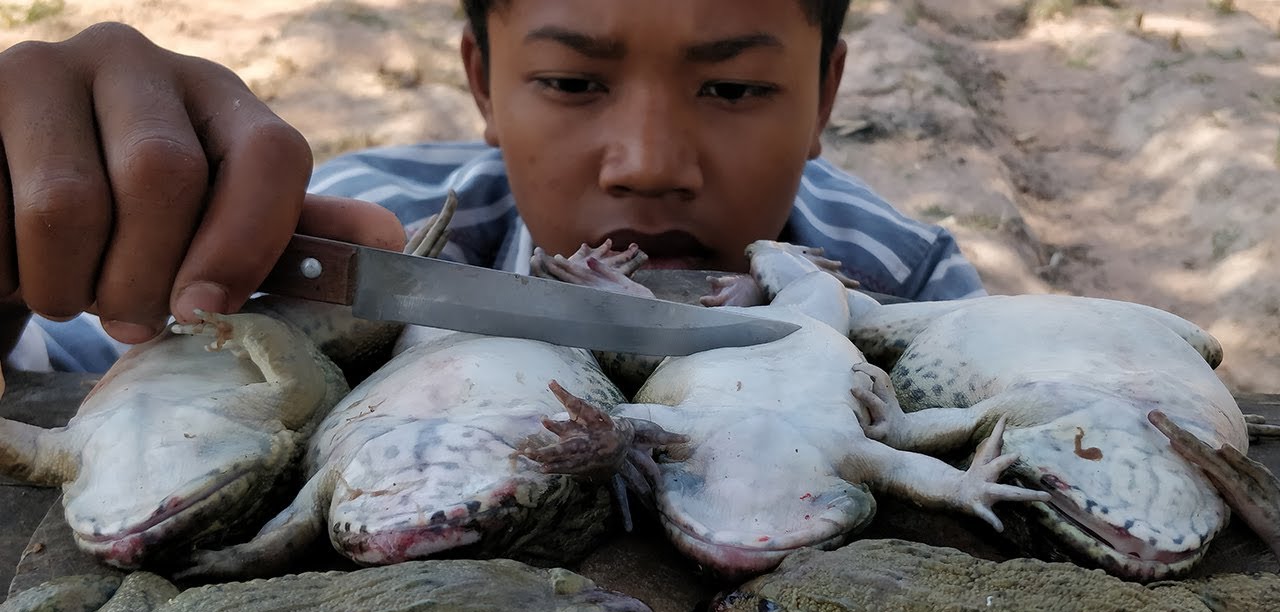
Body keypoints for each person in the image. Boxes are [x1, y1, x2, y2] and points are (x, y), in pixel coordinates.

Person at [0, 0, 985, 373]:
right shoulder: (350, 241)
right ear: (481, 81)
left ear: (822, 95)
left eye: (731, 87)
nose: (645, 163)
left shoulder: (907, 289)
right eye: (570, 83)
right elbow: (55, 356)